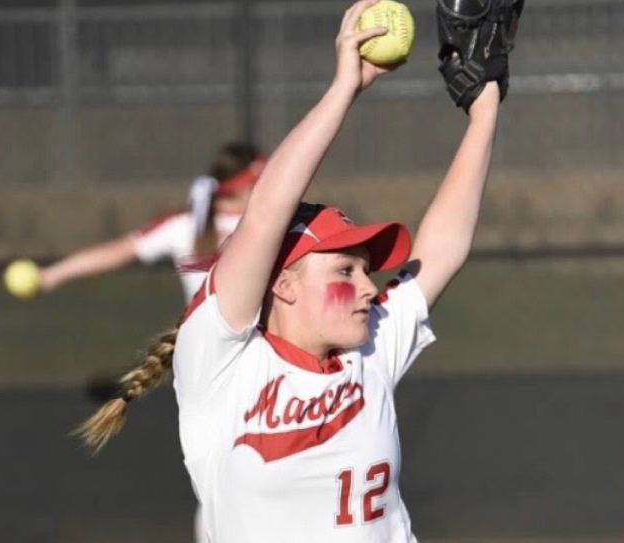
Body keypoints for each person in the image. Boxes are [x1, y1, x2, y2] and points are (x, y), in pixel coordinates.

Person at [76, 0, 521, 541]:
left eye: (364, 270)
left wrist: (486, 105)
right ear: (282, 284)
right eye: (344, 272)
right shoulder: (221, 368)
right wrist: (344, 90)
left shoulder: (366, 349)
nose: (367, 287)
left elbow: (443, 248)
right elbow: (266, 214)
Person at [37, 141, 265, 302]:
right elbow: (117, 251)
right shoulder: (184, 225)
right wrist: (52, 275)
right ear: (243, 185)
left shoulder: (276, 220)